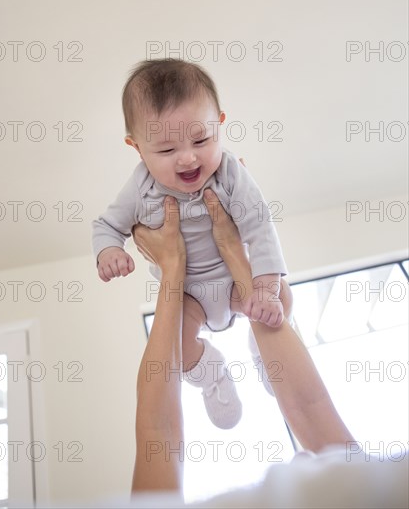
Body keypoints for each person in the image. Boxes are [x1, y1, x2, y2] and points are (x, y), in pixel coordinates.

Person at [92, 58, 289, 429]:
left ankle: (265, 355)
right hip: (189, 296)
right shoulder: (140, 188)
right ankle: (213, 376)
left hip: (235, 283)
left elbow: (259, 224)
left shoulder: (231, 173)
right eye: (165, 150)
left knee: (283, 296)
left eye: (201, 139)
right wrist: (109, 251)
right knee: (173, 349)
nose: (187, 157)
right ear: (137, 148)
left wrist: (264, 287)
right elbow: (106, 226)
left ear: (220, 125)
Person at [131, 191, 355, 494]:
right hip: (227, 289)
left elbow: (157, 432)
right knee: (278, 299)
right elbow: (310, 405)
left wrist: (171, 265)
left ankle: (210, 373)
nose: (303, 456)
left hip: (193, 294)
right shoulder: (360, 488)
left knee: (179, 343)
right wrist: (235, 240)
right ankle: (265, 355)